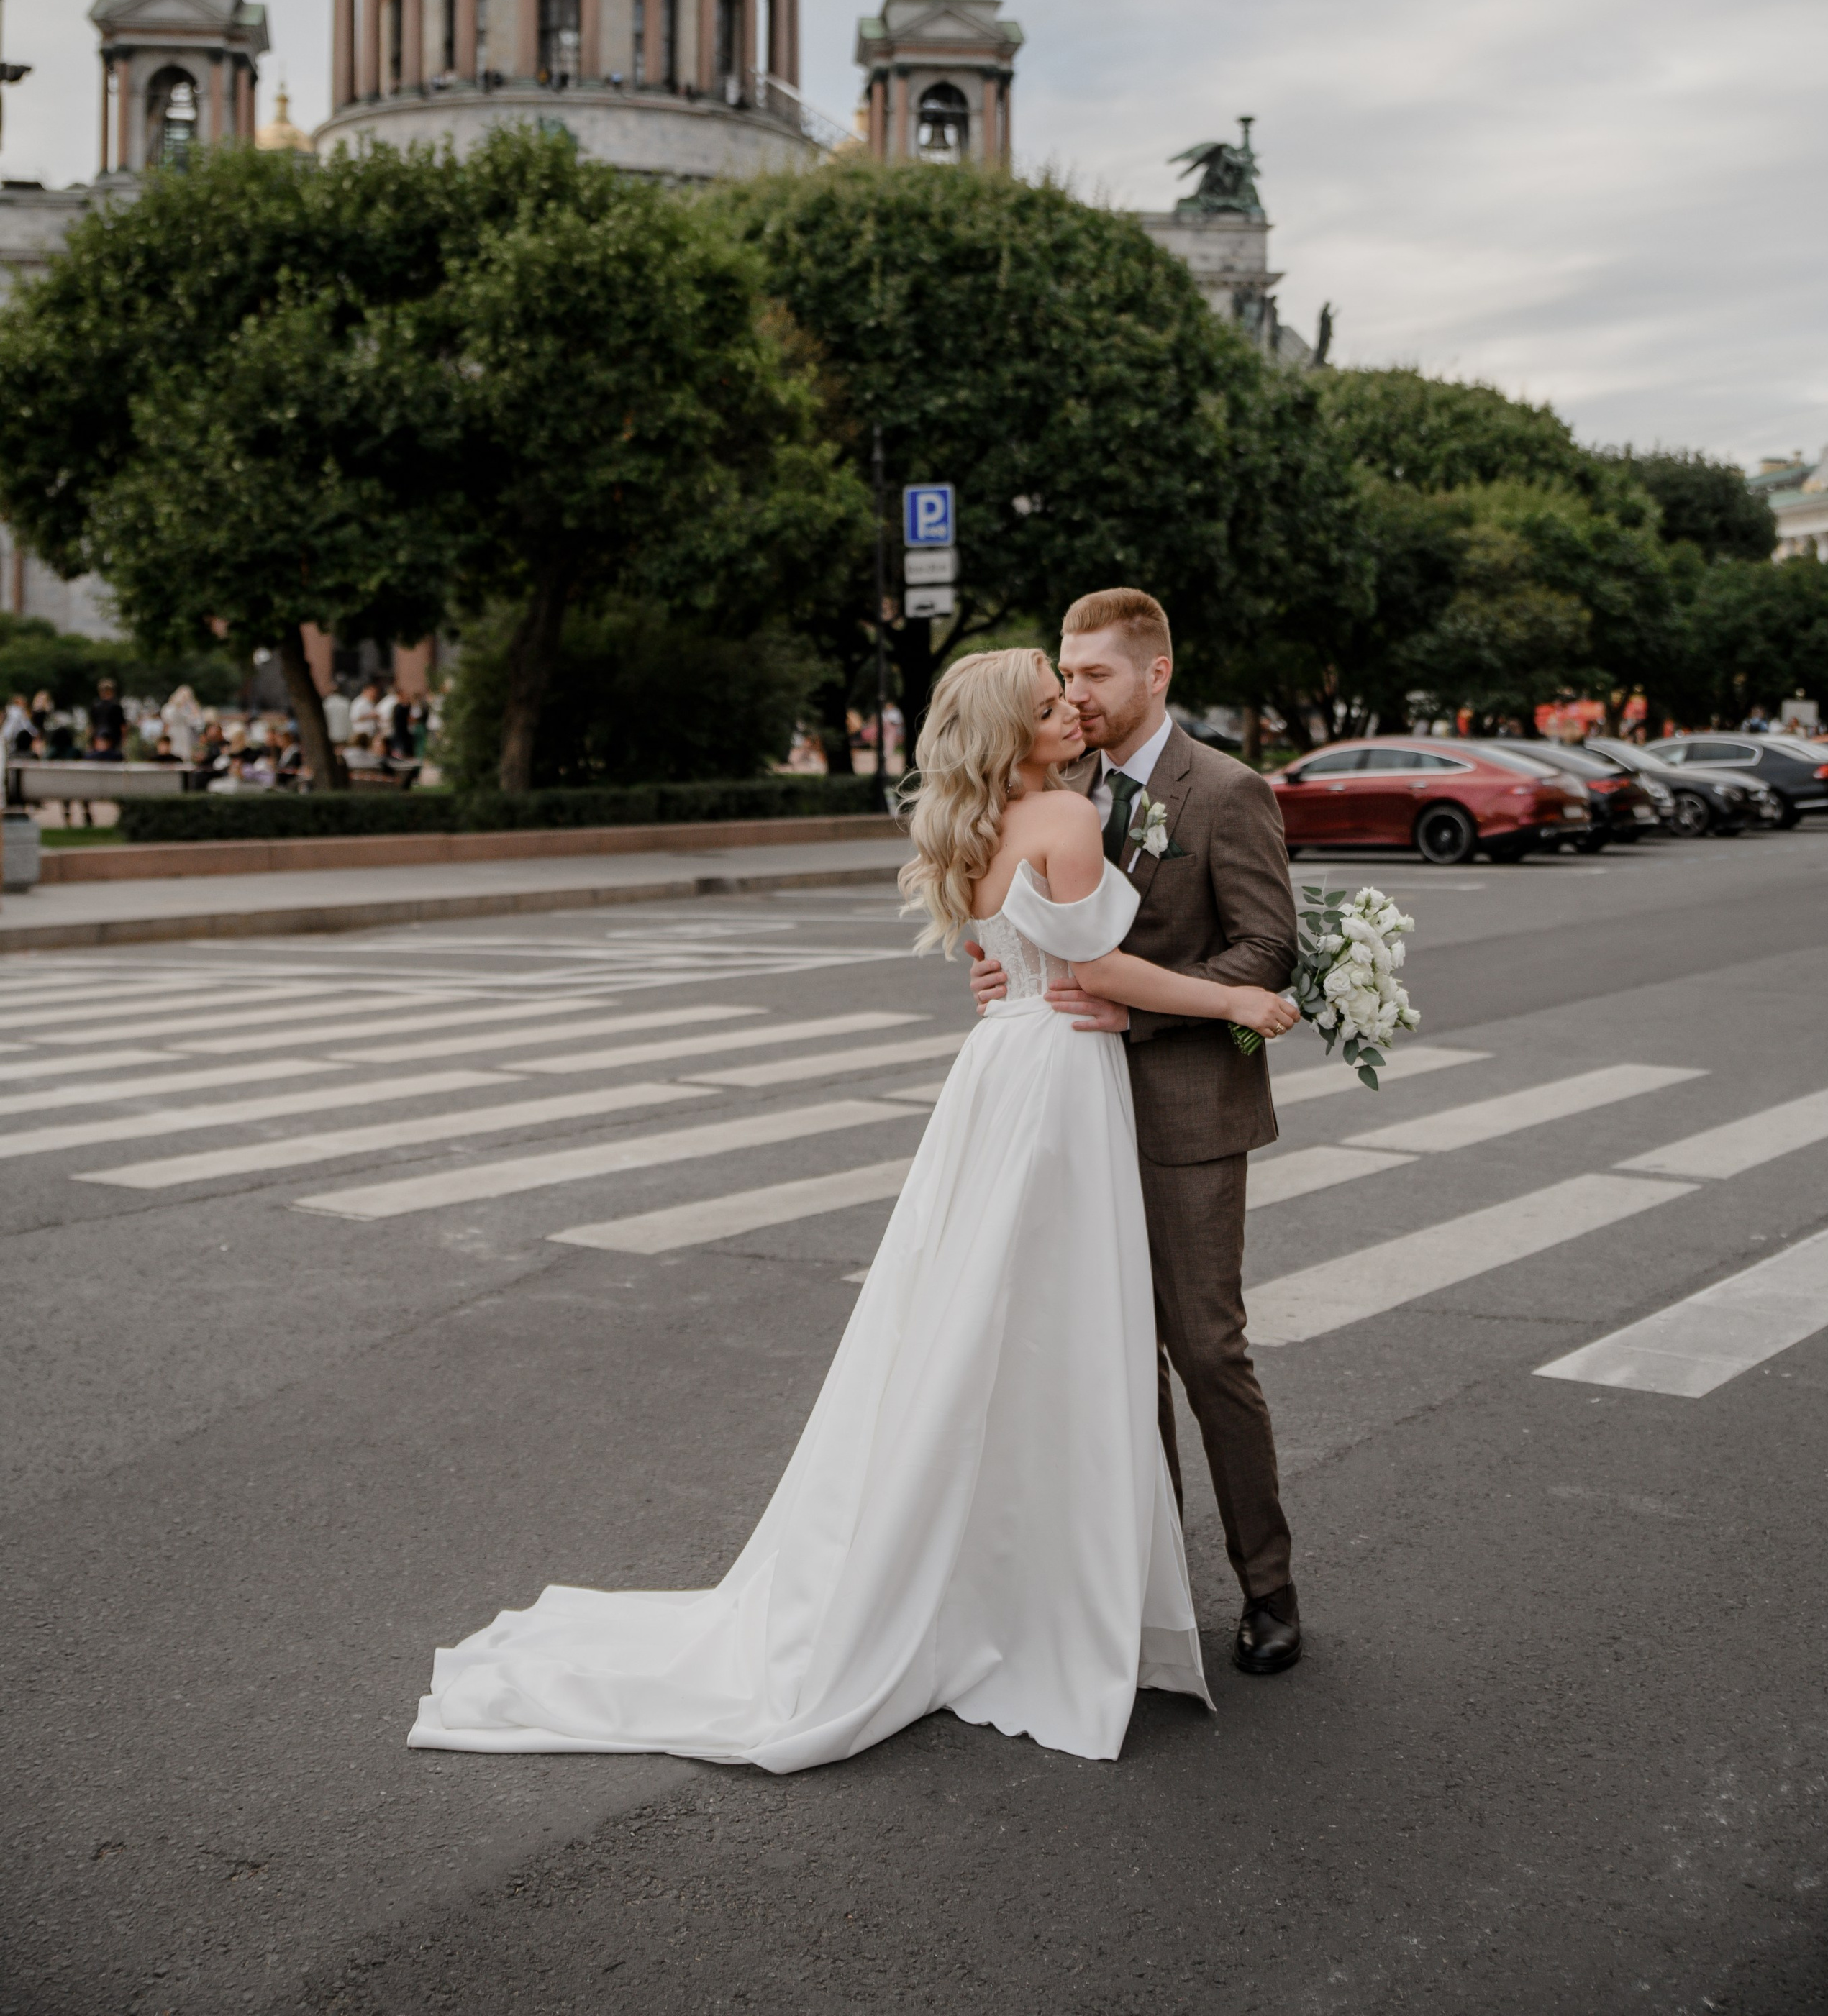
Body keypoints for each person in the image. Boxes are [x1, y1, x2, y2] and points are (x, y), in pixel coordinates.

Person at [408, 644, 1298, 1770]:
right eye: (1049, 702)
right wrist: (1238, 1002)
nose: (1070, 710)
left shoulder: (976, 823)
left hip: (1002, 1072)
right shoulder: (1068, 816)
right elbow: (1103, 975)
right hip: (1059, 1078)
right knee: (1061, 1326)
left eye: (1075, 692)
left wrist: (1032, 972)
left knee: (990, 1324)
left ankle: (1034, 1582)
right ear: (1013, 731)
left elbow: (1008, 947)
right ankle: (1058, 1591)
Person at [967, 588, 1306, 1676]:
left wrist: (1138, 1010)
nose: (1076, 694)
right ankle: (1142, 1592)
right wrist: (998, 970)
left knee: (1206, 1351)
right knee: (1110, 1360)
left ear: (1155, 674)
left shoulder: (1227, 790)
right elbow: (1029, 928)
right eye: (1066, 676)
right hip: (1068, 1107)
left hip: (1183, 1109)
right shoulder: (1057, 785)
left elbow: (1266, 948)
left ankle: (1268, 1589)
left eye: (1095, 675)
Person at [88, 678, 127, 762]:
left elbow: (92, 726)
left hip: (98, 738)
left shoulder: (95, 706)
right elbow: (123, 726)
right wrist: (123, 740)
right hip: (113, 738)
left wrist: (91, 741)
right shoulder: (116, 706)